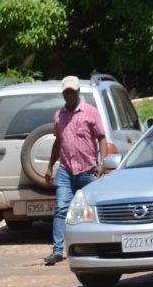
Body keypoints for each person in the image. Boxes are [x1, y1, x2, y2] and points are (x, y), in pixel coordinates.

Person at [45, 75, 109, 267]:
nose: (69, 96)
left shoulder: (90, 112)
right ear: (63, 94)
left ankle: (103, 245)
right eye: (66, 93)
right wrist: (50, 166)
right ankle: (57, 250)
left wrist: (102, 163)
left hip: (88, 169)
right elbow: (59, 141)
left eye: (72, 92)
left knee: (96, 208)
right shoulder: (59, 115)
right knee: (61, 208)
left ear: (78, 92)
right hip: (65, 169)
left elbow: (102, 138)